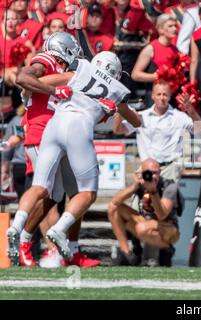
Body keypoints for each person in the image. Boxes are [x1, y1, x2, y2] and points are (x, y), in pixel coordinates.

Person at [9, 51, 141, 262]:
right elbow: (136, 122)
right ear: (116, 73)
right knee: (87, 193)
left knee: (40, 186)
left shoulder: (80, 70)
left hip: (54, 125)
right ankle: (59, 230)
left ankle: (17, 226)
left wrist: (37, 96)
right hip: (78, 128)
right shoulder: (116, 89)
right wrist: (117, 106)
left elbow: (37, 83)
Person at [7, 32, 85, 268]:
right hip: (42, 132)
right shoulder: (47, 59)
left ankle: (25, 239)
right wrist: (53, 90)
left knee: (56, 195)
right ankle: (17, 230)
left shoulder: (61, 69)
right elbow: (23, 77)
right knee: (43, 188)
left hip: (56, 133)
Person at [113, 81, 201, 183]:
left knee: (170, 197)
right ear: (152, 96)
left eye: (165, 94)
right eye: (159, 94)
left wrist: (191, 110)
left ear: (170, 96)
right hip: (147, 169)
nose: (162, 98)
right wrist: (121, 110)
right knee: (138, 198)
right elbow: (118, 130)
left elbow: (199, 130)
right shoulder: (141, 116)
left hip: (171, 168)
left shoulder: (179, 116)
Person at [107, 159, 182, 266]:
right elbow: (114, 203)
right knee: (114, 208)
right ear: (142, 173)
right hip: (145, 222)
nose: (152, 176)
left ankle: (166, 249)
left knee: (141, 228)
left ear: (160, 172)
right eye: (148, 173)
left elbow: (162, 215)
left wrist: (153, 191)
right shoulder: (140, 185)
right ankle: (127, 253)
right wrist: (134, 186)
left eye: (155, 173)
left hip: (168, 227)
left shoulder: (169, 186)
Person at [131, 14, 179, 98]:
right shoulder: (151, 48)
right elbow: (135, 75)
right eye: (170, 26)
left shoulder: (175, 49)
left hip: (171, 96)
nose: (174, 29)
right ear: (160, 29)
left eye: (175, 26)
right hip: (154, 96)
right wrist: (157, 76)